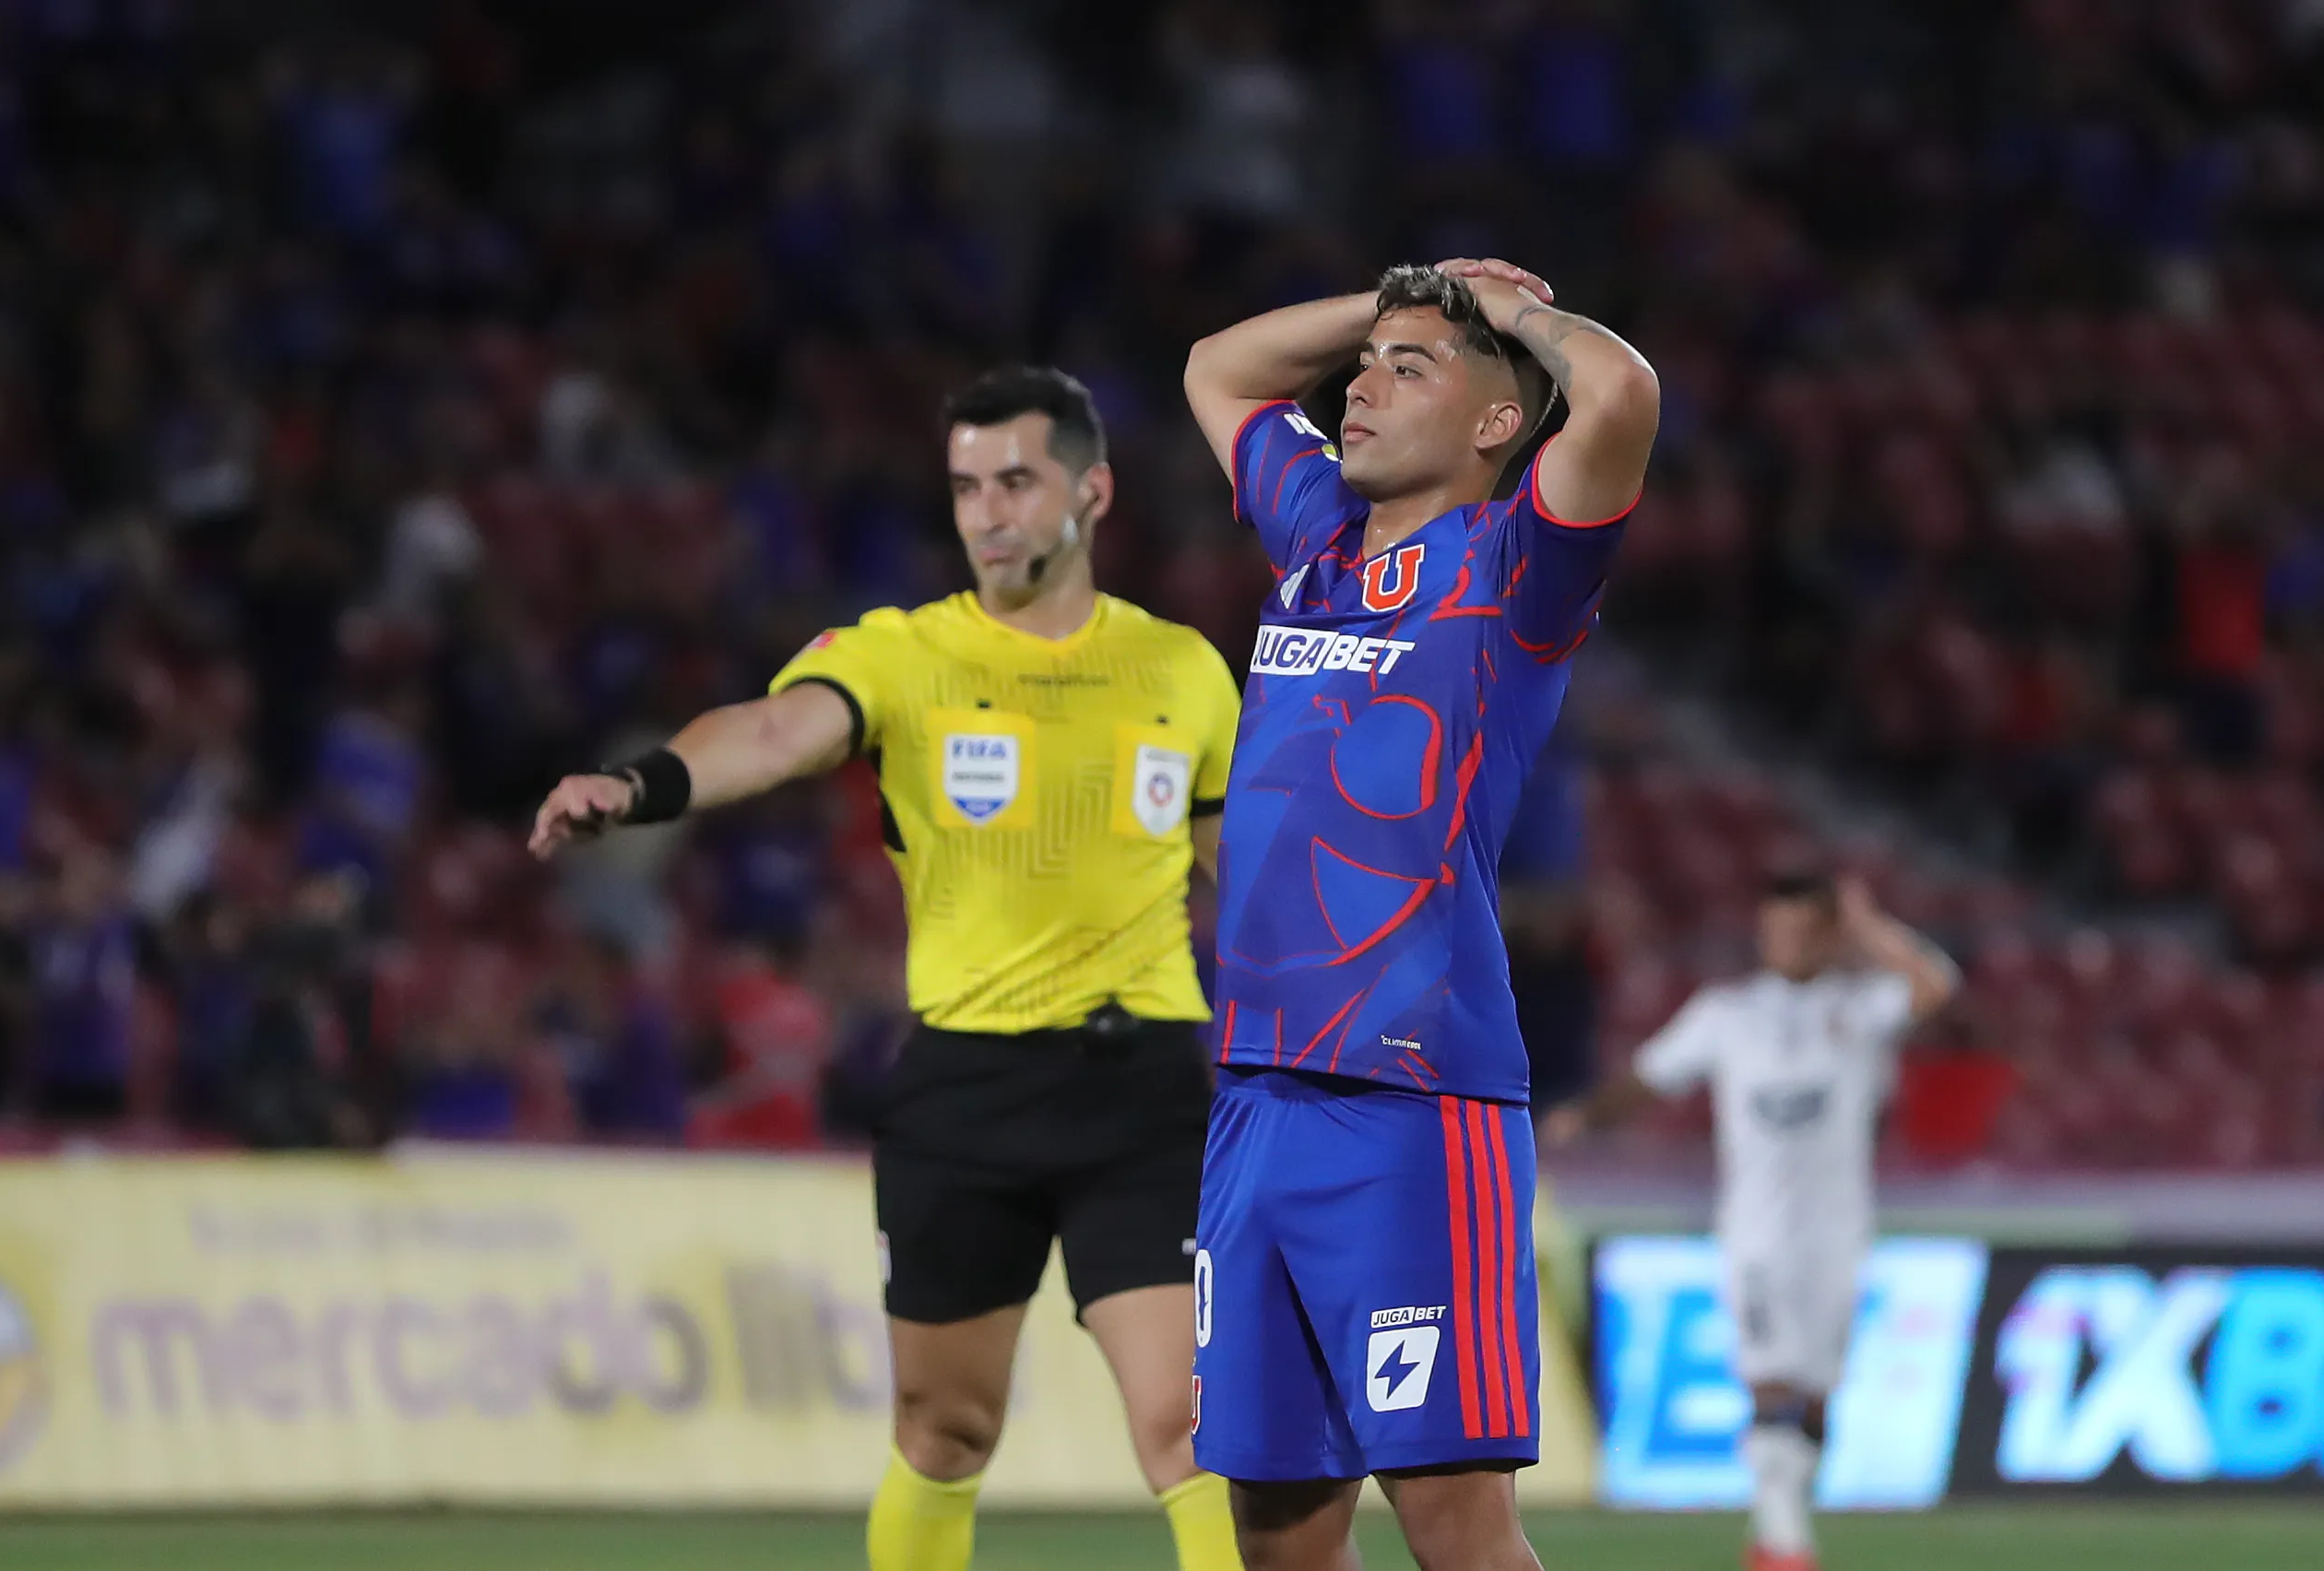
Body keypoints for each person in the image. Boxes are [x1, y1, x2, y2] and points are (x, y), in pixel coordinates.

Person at [529, 366, 1247, 1571]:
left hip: (1147, 1094)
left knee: (1187, 1424)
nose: (986, 511)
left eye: (1015, 480)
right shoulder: (901, 656)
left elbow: (1253, 883)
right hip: (966, 1089)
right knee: (944, 1427)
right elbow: (768, 732)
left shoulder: (1185, 670)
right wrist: (642, 784)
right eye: (965, 485)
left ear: (1094, 489)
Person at [1180, 258, 1658, 1570]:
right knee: (1275, 1532)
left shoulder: (1514, 572)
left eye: (1409, 369)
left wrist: (1501, 314)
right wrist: (1409, 298)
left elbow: (1616, 389)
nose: (1362, 384)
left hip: (1411, 1099)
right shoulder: (1315, 536)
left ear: (1498, 422)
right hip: (1253, 1097)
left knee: (1455, 1525)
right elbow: (1216, 366)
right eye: (1364, 366)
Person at [1542, 869, 1960, 1571]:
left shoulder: (1861, 1007)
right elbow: (1650, 1075)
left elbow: (1937, 988)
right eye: (1775, 928)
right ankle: (1787, 1547)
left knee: (1816, 1399)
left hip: (1839, 1230)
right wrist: (1582, 1115)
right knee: (1769, 1379)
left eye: (1802, 928)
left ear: (1827, 935)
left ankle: (1773, 1532)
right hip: (1757, 1230)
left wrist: (1868, 929)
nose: (1785, 942)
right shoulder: (1727, 1013)